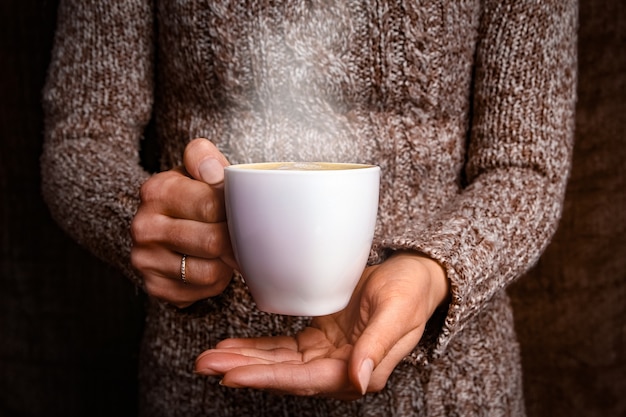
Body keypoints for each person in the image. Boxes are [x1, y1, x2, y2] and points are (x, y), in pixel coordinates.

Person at [40, 0, 578, 415]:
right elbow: (82, 140)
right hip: (198, 378)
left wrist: (435, 270)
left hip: (450, 387)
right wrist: (150, 225)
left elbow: (525, 168)